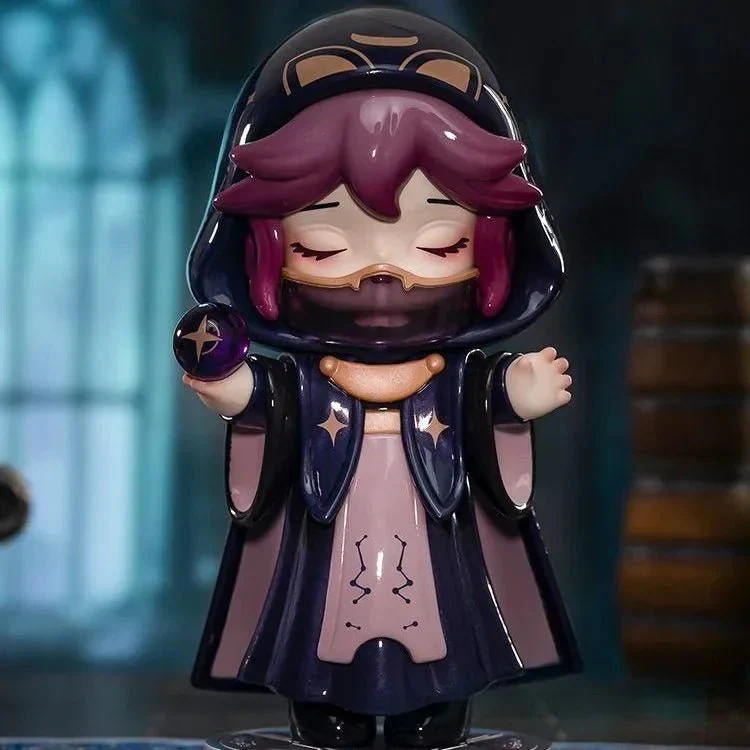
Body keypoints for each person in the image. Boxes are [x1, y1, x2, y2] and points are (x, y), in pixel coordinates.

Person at [182, 8, 580, 748]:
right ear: (267, 251)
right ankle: (322, 708)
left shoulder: (455, 377)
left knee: (448, 620)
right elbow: (270, 404)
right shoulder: (305, 380)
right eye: (325, 245)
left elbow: (485, 405)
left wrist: (510, 398)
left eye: (437, 241)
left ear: (489, 248)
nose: (383, 270)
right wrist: (239, 393)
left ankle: (437, 708)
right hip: (326, 515)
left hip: (435, 512)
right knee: (314, 616)